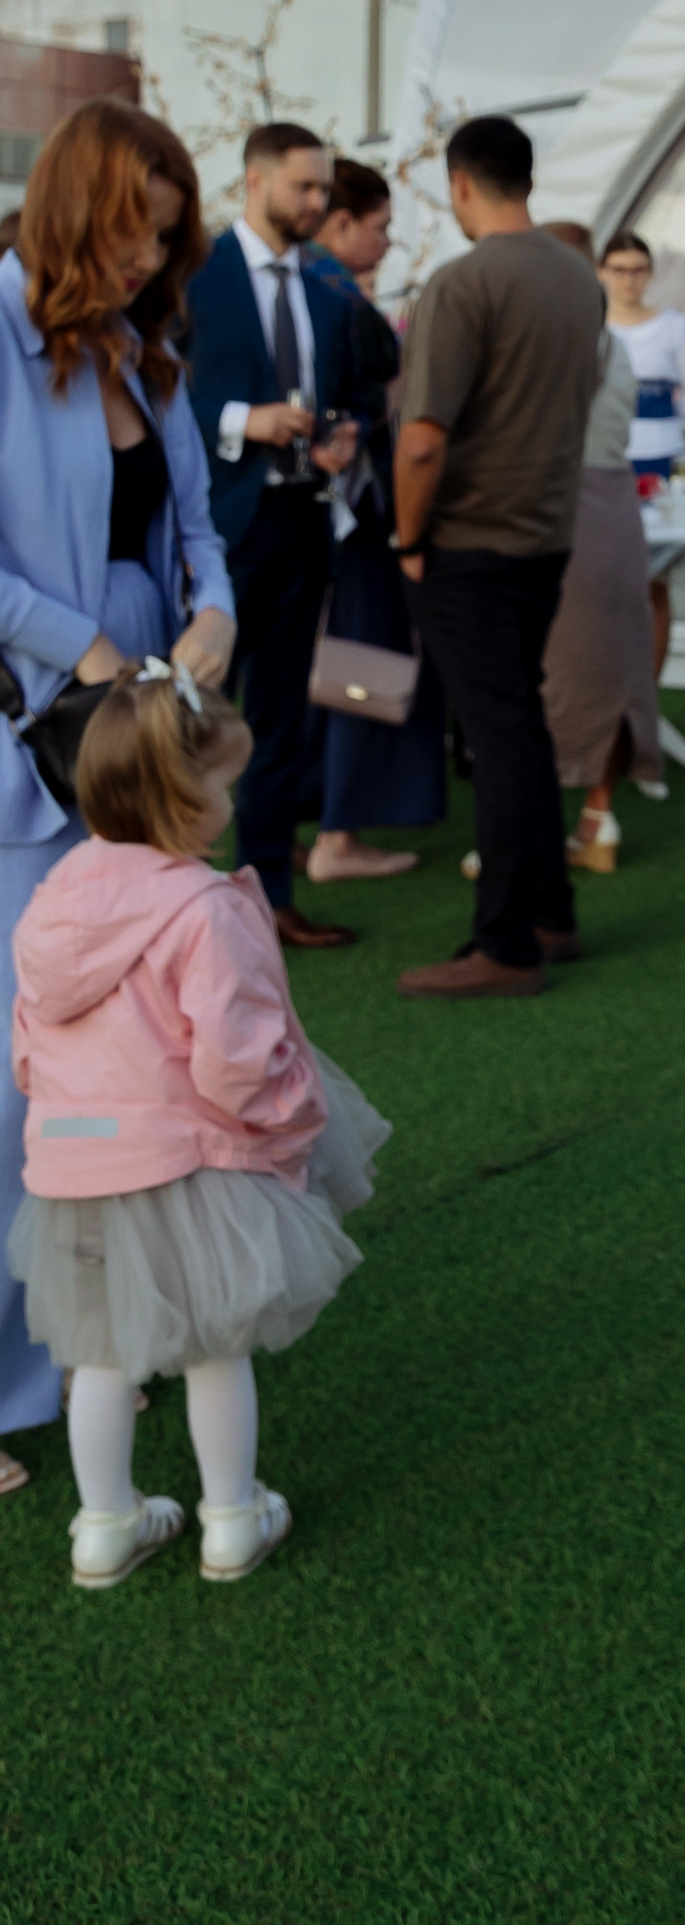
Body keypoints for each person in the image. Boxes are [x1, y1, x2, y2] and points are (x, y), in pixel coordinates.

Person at [6, 664, 387, 1588]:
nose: (235, 795)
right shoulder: (205, 907)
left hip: (74, 1166)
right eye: (222, 780)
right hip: (190, 1162)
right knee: (217, 1345)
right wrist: (294, 1123)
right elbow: (236, 1061)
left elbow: (26, 1045)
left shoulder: (52, 900)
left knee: (100, 1352)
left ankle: (102, 1526)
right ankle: (231, 1517)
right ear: (181, 795)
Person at [0, 100, 234, 1498]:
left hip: (138, 749)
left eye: (166, 230)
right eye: (130, 228)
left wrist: (211, 618)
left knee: (120, 1071)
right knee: (15, 1078)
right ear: (74, 207)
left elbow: (197, 517)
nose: (149, 255)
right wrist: (62, 640)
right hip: (37, 745)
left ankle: (87, 1352)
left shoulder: (148, 348)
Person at [392, 116, 604, 1000]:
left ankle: (507, 942)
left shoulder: (462, 282)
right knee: (521, 721)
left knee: (498, 735)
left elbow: (423, 439)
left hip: (470, 539)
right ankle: (549, 914)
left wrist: (407, 541)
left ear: (461, 185)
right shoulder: (578, 280)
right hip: (545, 533)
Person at [183, 121, 363, 953]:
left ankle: (269, 898)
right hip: (219, 533)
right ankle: (182, 901)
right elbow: (160, 397)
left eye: (325, 189)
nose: (320, 202)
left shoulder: (325, 288)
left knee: (281, 720)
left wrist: (336, 439)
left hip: (301, 522)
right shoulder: (195, 276)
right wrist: (241, 421)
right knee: (188, 716)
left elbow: (343, 394)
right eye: (305, 187)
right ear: (256, 181)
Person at [302, 155, 445, 886]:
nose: (388, 243)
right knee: (360, 668)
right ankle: (338, 833)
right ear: (340, 221)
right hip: (354, 518)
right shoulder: (334, 298)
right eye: (381, 227)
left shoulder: (302, 288)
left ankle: (322, 816)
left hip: (315, 522)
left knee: (323, 668)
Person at [541, 221, 665, 872]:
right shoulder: (610, 340)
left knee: (546, 671)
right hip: (616, 505)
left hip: (560, 506)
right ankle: (598, 815)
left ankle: (530, 834)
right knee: (613, 666)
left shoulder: (553, 336)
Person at [598, 226, 685, 773]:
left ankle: (646, 705)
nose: (629, 280)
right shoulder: (592, 328)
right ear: (602, 272)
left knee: (653, 583)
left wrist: (656, 404)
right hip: (604, 461)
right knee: (604, 581)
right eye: (618, 269)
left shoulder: (672, 328)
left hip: (659, 463)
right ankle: (605, 704)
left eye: (638, 270)